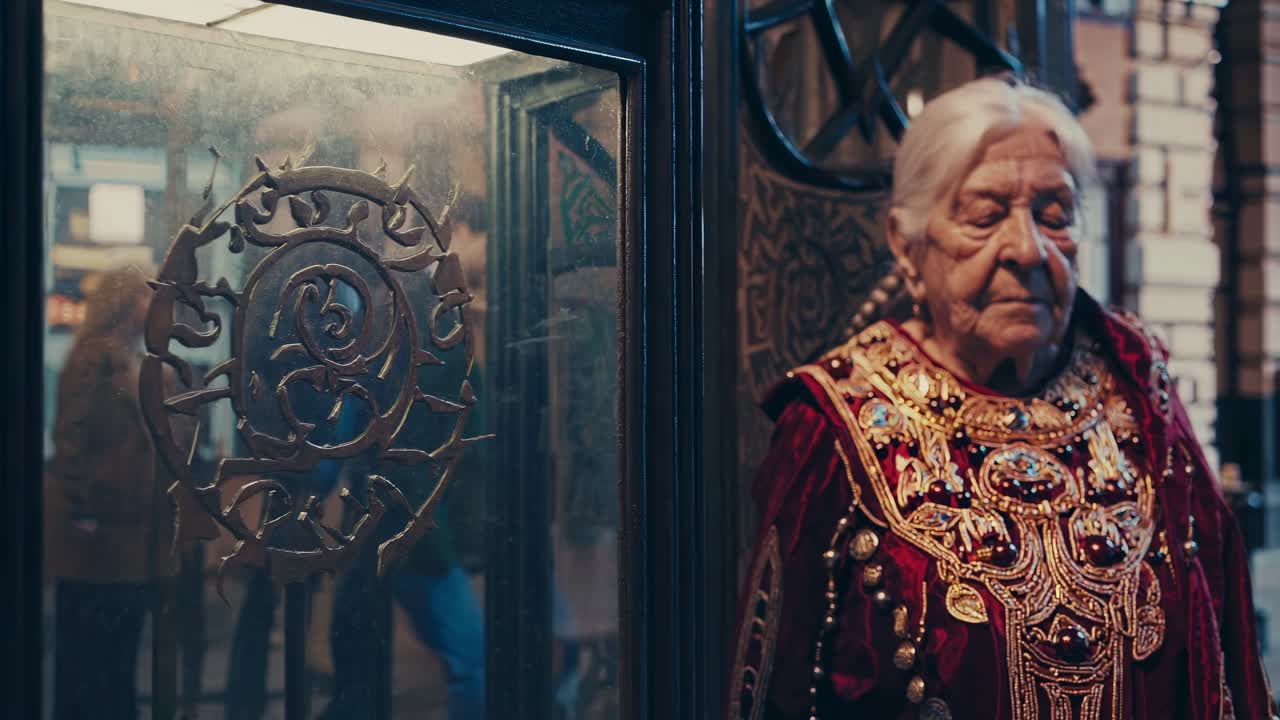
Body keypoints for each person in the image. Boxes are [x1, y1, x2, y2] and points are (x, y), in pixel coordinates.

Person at [727, 76, 1278, 720]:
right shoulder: (832, 425)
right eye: (985, 215)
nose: (1027, 249)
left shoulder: (1139, 390)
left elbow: (1223, 652)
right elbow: (778, 690)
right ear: (908, 246)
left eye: (1055, 214)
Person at [46, 266, 169, 720]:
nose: (151, 307)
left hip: (120, 537)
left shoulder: (127, 358)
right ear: (123, 303)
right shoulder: (94, 358)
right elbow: (71, 439)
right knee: (94, 663)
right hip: (97, 538)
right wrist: (83, 509)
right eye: (143, 297)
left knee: (113, 660)